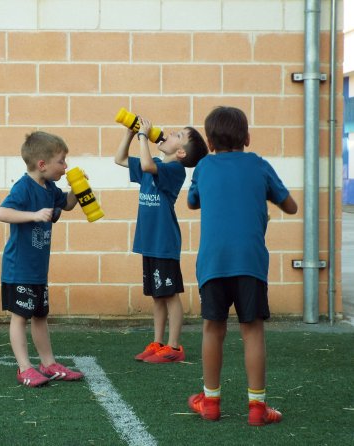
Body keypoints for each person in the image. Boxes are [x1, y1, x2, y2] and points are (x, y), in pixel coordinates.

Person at [186, 106, 298, 425]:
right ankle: (257, 409)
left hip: (213, 263)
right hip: (250, 262)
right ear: (247, 138)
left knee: (212, 328)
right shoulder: (259, 165)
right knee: (253, 332)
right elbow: (291, 206)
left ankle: (210, 402)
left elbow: (193, 201)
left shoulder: (204, 167)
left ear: (209, 143)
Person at [115, 117, 208, 363]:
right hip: (149, 241)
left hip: (164, 241)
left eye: (178, 134)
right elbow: (120, 159)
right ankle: (157, 343)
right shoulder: (155, 163)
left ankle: (174, 347)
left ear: (180, 152)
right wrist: (129, 133)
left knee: (170, 294)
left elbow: (146, 166)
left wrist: (143, 136)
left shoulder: (173, 171)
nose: (169, 132)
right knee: (157, 295)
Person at [0, 131, 85, 387]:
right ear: (42, 164)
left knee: (40, 316)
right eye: (61, 161)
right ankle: (24, 368)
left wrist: (78, 190)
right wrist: (34, 215)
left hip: (38, 270)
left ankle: (49, 364)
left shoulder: (50, 188)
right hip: (18, 268)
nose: (65, 166)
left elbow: (66, 205)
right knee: (20, 316)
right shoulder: (23, 187)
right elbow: (2, 212)